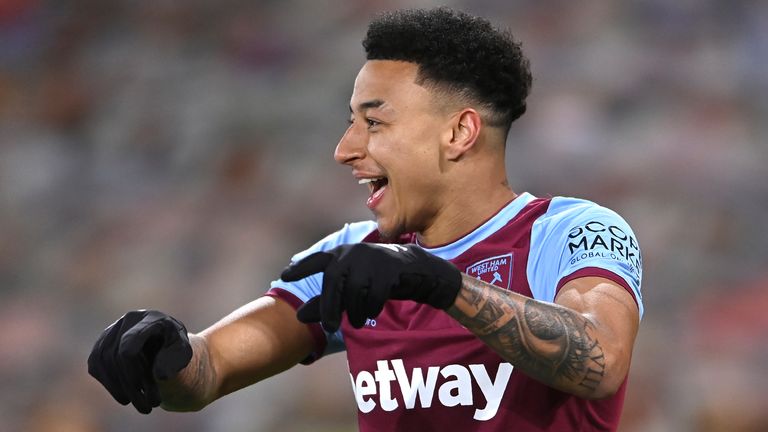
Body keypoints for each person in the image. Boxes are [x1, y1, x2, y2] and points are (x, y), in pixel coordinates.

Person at [88, 7, 643, 432]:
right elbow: (207, 373)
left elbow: (601, 361)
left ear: (459, 132)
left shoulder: (569, 231)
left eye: (373, 123)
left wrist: (439, 284)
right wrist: (165, 353)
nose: (344, 149)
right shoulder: (354, 255)